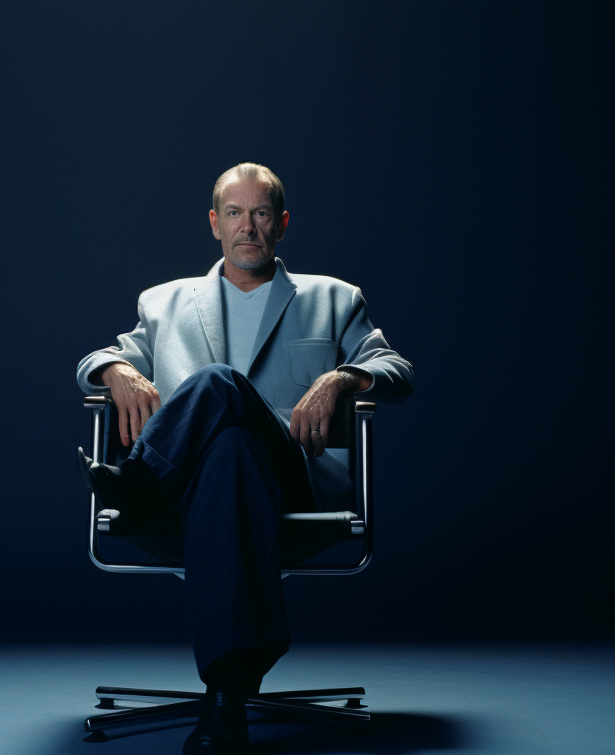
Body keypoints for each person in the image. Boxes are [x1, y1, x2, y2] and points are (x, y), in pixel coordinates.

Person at [75, 162, 413, 753]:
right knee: (228, 450)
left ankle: (143, 480)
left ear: (281, 225)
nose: (247, 227)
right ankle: (226, 701)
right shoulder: (163, 303)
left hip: (292, 478)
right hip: (206, 491)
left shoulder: (334, 298)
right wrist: (118, 369)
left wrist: (341, 376)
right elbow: (93, 359)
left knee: (217, 383)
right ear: (214, 223)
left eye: (261, 215)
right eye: (235, 213)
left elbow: (397, 370)